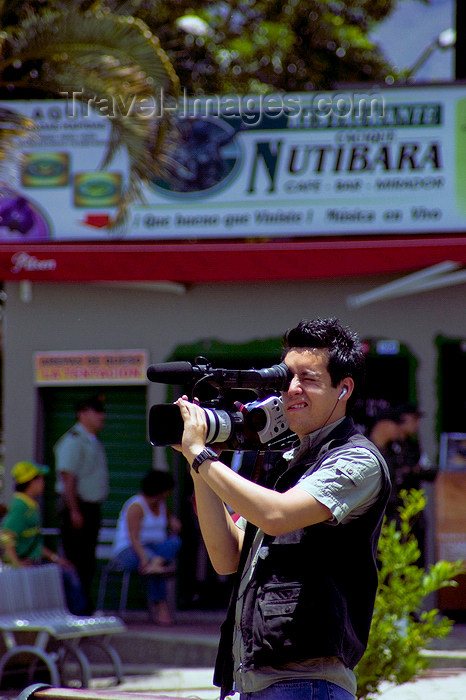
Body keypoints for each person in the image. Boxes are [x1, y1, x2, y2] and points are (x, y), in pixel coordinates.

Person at [174, 317, 391, 700]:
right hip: (254, 683)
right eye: (284, 378)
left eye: (308, 378)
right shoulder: (292, 461)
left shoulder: (357, 459)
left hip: (307, 685)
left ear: (344, 389)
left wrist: (200, 455)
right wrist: (199, 467)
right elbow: (228, 557)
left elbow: (277, 515)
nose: (292, 389)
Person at [0, 460, 87, 615]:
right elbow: (6, 536)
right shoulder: (20, 507)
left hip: (32, 563)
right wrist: (17, 564)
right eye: (39, 478)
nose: (43, 482)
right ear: (31, 482)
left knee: (68, 571)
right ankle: (77, 616)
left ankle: (75, 616)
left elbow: (33, 542)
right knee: (68, 577)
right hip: (23, 568)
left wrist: (55, 558)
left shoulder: (30, 506)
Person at [54, 395, 109, 614]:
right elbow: (68, 478)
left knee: (87, 562)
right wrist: (75, 511)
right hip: (77, 508)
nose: (101, 416)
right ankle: (75, 609)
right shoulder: (74, 440)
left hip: (90, 508)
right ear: (82, 413)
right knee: (76, 561)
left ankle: (84, 607)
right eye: (96, 411)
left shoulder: (90, 439)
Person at [111, 469, 182, 626]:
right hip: (130, 550)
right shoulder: (136, 506)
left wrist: (174, 523)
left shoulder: (162, 505)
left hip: (156, 550)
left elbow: (171, 523)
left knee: (175, 542)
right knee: (151, 562)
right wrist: (144, 557)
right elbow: (133, 538)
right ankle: (161, 608)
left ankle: (155, 565)